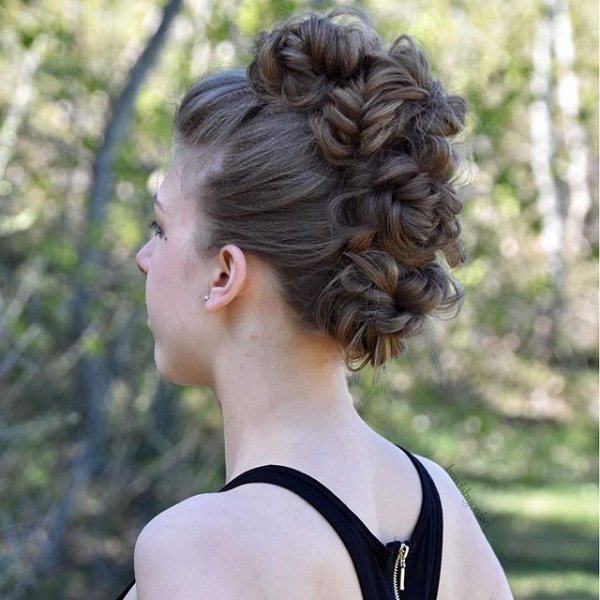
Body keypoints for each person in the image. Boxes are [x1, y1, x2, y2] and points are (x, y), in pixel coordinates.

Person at [116, 8, 513, 599]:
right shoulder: (442, 511)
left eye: (160, 228)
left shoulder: (201, 548)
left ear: (225, 273)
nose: (144, 258)